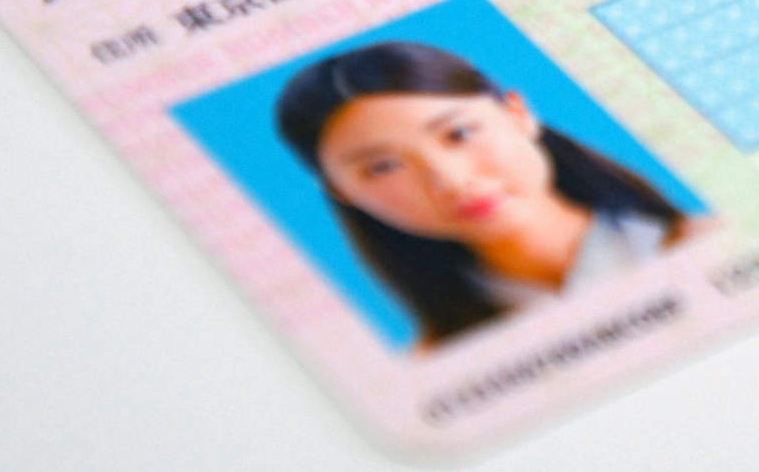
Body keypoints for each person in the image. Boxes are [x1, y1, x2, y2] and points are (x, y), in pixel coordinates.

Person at [276, 41, 699, 347]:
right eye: (382, 166)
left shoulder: (710, 241)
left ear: (517, 113)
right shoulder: (435, 363)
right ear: (342, 193)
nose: (451, 180)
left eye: (458, 133)